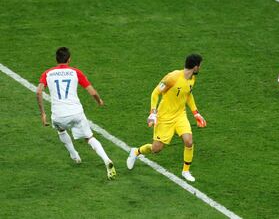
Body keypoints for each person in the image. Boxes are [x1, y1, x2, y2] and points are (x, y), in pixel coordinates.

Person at [36, 47, 116, 180]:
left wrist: (43, 113)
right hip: (76, 113)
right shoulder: (75, 72)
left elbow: (39, 92)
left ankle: (74, 155)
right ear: (69, 59)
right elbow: (92, 92)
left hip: (58, 115)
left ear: (56, 59)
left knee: (61, 130)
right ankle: (107, 160)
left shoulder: (47, 73)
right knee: (89, 137)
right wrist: (99, 101)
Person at [126, 54, 206, 182]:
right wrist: (153, 112)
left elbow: (188, 94)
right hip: (165, 117)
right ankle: (136, 152)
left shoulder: (192, 79)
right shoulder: (172, 77)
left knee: (189, 141)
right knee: (156, 149)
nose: (200, 68)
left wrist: (196, 113)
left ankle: (185, 171)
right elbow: (155, 92)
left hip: (180, 115)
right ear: (195, 66)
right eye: (200, 65)